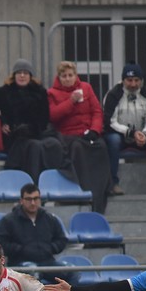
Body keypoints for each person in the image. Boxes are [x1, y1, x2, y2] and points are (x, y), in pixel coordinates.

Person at [47, 60, 111, 213]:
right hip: (68, 135)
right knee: (77, 148)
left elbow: (96, 111)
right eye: (64, 76)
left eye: (70, 75)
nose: (68, 79)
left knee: (101, 147)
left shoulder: (86, 88)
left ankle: (103, 189)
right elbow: (53, 115)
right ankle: (83, 190)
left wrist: (95, 130)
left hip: (88, 133)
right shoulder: (52, 93)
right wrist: (71, 101)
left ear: (76, 76)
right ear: (59, 77)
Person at [101, 63, 146, 196]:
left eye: (136, 80)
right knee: (113, 141)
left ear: (141, 81)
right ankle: (113, 184)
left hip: (141, 136)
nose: (133, 84)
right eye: (129, 80)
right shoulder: (113, 95)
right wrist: (131, 133)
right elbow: (110, 122)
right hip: (120, 135)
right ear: (123, 80)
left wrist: (145, 135)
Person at [0, 59, 64, 182]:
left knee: (54, 144)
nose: (22, 75)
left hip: (36, 132)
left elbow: (44, 117)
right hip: (15, 135)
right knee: (34, 146)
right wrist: (2, 122)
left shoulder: (40, 92)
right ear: (14, 75)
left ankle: (52, 182)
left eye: (25, 73)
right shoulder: (3, 92)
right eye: (19, 73)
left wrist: (35, 129)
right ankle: (31, 184)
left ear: (30, 76)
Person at [0, 183, 76, 285]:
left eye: (36, 199)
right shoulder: (8, 220)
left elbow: (61, 239)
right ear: (21, 201)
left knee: (73, 272)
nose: (33, 203)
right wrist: (20, 250)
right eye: (28, 199)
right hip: (20, 263)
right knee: (33, 273)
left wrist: (51, 248)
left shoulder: (50, 218)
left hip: (47, 262)